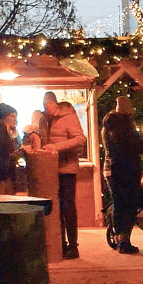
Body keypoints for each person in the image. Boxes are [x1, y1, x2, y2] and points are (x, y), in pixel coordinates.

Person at [39, 92, 86, 259]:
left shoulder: (68, 117)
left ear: (54, 103)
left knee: (68, 208)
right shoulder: (44, 119)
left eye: (48, 105)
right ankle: (61, 244)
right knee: (56, 208)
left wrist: (57, 147)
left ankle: (73, 246)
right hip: (51, 169)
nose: (47, 109)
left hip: (67, 168)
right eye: (45, 106)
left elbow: (80, 139)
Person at [103, 103, 143, 254]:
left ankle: (119, 238)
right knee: (128, 204)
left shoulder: (108, 125)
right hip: (126, 170)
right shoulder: (122, 127)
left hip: (111, 169)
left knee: (119, 203)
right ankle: (124, 241)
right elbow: (134, 146)